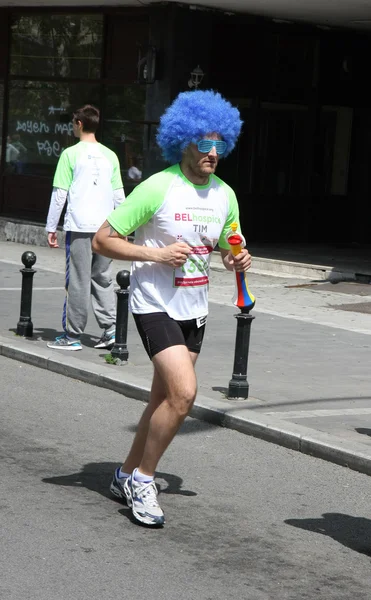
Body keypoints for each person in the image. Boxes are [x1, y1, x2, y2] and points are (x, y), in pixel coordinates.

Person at [92, 90, 251, 526]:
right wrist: (155, 255)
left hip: (194, 310)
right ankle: (144, 480)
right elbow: (103, 239)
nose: (213, 153)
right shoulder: (158, 186)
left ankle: (123, 472)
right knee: (184, 394)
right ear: (183, 141)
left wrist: (237, 258)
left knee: (163, 398)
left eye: (220, 144)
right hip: (154, 304)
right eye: (204, 143)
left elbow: (229, 246)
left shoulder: (225, 195)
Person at [46, 104, 125, 351]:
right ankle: (110, 331)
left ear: (79, 124)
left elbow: (60, 194)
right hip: (107, 227)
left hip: (79, 226)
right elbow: (119, 195)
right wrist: (122, 227)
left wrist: (51, 226)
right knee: (102, 278)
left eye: (73, 123)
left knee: (78, 280)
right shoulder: (110, 155)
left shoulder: (70, 154)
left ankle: (72, 335)